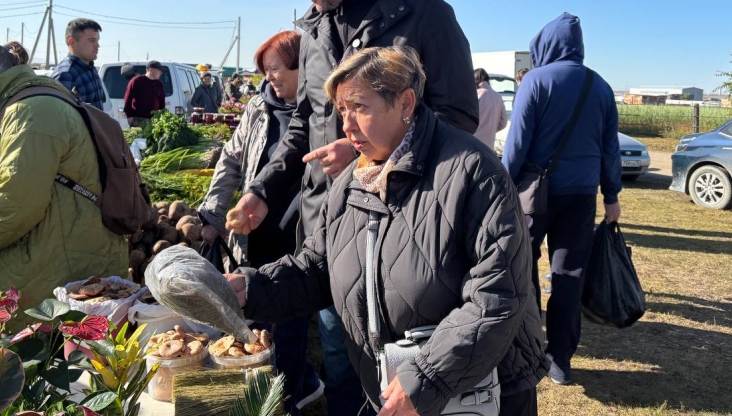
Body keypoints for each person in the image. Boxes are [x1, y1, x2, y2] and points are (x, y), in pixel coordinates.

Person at [228, 0, 479, 415]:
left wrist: (370, 148)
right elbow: (302, 125)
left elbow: (457, 117)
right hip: (330, 228)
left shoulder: (425, 16)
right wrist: (262, 189)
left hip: (408, 232)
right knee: (341, 360)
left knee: (396, 369)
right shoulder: (314, 33)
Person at [228, 46, 546, 416]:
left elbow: (496, 297)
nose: (345, 125)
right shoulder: (354, 180)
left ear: (406, 104)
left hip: (477, 397)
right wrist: (253, 288)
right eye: (341, 110)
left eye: (359, 107)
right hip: (393, 390)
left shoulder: (474, 173)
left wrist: (426, 378)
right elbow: (318, 266)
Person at [0, 41, 128, 331]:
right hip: (49, 255)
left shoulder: (30, 112)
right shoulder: (19, 107)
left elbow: (18, 200)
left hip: (55, 266)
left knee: (55, 358)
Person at [197, 31, 322, 415]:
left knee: (290, 323)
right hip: (254, 234)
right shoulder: (257, 107)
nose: (270, 77)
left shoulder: (322, 113)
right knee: (253, 322)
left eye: (277, 69)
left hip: (301, 235)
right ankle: (264, 392)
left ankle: (286, 396)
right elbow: (231, 160)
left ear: (307, 67)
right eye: (265, 70)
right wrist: (213, 213)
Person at [502, 12, 622, 386]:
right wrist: (612, 195)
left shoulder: (535, 81)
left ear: (546, 44)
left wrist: (501, 186)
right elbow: (610, 149)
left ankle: (529, 344)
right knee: (569, 274)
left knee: (523, 266)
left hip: (535, 194)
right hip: (582, 196)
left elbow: (517, 143)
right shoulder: (600, 87)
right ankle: (560, 360)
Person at [51, 18, 107, 110]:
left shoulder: (90, 68)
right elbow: (58, 115)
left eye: (97, 41)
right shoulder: (66, 74)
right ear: (72, 42)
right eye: (92, 40)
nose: (97, 45)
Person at [123, 61, 166, 128]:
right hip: (138, 119)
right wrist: (129, 117)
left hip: (154, 120)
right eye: (159, 70)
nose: (161, 73)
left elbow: (162, 103)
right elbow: (127, 99)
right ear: (150, 70)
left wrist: (162, 117)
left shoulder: (159, 85)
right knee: (139, 138)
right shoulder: (136, 81)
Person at [473, 68, 508, 150]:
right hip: (489, 147)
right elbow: (503, 122)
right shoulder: (498, 96)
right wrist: (490, 130)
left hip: (472, 144)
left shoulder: (475, 94)